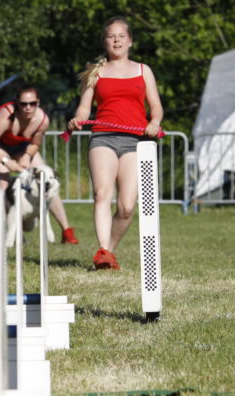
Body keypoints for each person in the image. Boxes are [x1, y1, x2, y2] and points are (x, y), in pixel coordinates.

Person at [68, 16, 163, 270]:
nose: (117, 40)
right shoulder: (95, 73)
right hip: (103, 138)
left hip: (135, 141)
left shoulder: (144, 71)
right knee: (102, 194)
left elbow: (156, 108)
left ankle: (108, 251)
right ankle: (103, 253)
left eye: (122, 36)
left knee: (126, 206)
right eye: (111, 36)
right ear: (105, 41)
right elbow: (84, 109)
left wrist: (154, 122)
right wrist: (77, 120)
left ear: (130, 41)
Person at [0, 86, 79, 244]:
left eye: (32, 103)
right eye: (23, 104)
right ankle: (1, 232)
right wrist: (7, 162)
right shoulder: (6, 116)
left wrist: (26, 156)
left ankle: (66, 231)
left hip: (22, 146)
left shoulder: (42, 120)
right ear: (17, 103)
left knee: (48, 181)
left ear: (38, 103)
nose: (28, 108)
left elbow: (35, 143)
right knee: (3, 184)